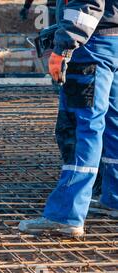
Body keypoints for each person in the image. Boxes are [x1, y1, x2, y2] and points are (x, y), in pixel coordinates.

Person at [19, 0, 118, 237]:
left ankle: (65, 215)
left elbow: (88, 3)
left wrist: (64, 47)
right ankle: (114, 198)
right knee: (112, 125)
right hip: (113, 40)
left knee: (81, 126)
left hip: (90, 46)